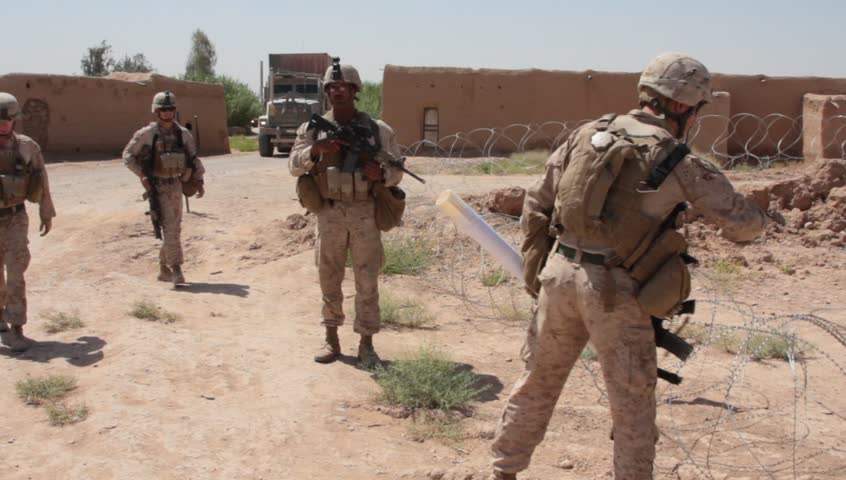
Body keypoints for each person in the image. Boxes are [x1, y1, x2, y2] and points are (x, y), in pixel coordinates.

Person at [489, 53, 767, 480]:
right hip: (614, 292)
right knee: (633, 402)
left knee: (537, 382)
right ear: (680, 107)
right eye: (696, 110)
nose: (695, 120)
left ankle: (503, 470)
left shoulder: (587, 134)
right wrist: (762, 218)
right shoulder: (677, 160)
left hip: (559, 275)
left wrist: (537, 273)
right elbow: (743, 226)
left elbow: (536, 203)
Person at [289, 60, 403, 369]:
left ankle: (366, 343)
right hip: (329, 212)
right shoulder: (312, 129)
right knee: (329, 277)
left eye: (343, 87)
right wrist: (316, 150)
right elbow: (293, 166)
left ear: (354, 91)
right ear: (326, 92)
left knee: (367, 279)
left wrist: (379, 172)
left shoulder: (378, 130)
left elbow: (397, 171)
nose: (337, 91)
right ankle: (332, 337)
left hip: (365, 212)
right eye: (332, 87)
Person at [123, 91, 205, 285]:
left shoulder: (182, 134)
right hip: (157, 185)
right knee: (170, 228)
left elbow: (193, 159)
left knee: (174, 228)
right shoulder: (147, 134)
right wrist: (142, 176)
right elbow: (127, 155)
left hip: (176, 184)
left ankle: (163, 268)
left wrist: (199, 181)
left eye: (170, 109)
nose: (167, 113)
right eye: (163, 110)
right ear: (156, 112)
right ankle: (176, 269)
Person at [0, 92, 57, 352]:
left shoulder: (27, 147)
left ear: (14, 121)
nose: (3, 125)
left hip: (15, 217)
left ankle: (16, 327)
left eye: (7, 120)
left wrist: (47, 212)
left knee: (16, 273)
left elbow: (41, 180)